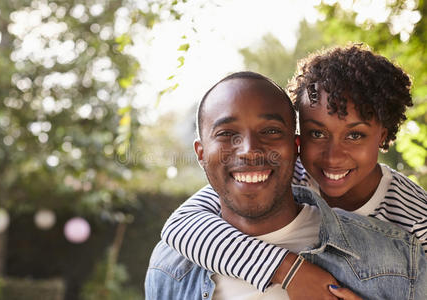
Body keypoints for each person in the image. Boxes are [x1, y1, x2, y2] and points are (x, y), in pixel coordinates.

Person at [160, 45, 427, 299]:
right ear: (297, 138)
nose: (333, 157)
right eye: (317, 133)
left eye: (354, 135)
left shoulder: (414, 215)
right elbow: (181, 225)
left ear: (382, 136)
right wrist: (288, 271)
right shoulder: (287, 172)